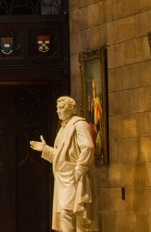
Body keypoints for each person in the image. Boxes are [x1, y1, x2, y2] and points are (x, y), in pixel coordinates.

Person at [29, 95, 97, 231]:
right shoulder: (62, 128)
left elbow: (88, 147)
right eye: (57, 108)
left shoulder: (79, 124)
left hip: (73, 176)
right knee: (64, 213)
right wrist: (46, 149)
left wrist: (79, 169)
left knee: (69, 211)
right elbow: (61, 156)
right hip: (62, 177)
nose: (58, 111)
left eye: (62, 108)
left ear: (71, 109)